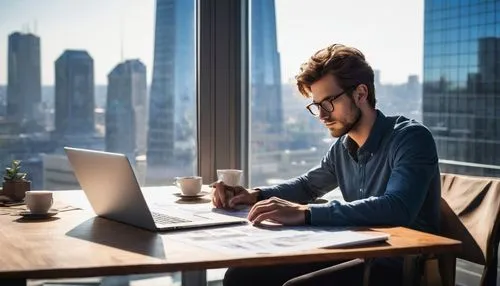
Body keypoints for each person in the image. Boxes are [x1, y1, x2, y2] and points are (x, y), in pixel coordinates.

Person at [211, 43, 441, 286]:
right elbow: (308, 186)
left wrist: (307, 213)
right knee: (241, 275)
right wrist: (254, 195)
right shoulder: (342, 147)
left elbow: (398, 208)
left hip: (399, 264)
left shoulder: (410, 138)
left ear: (361, 94)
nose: (321, 115)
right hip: (355, 251)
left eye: (328, 102)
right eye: (316, 105)